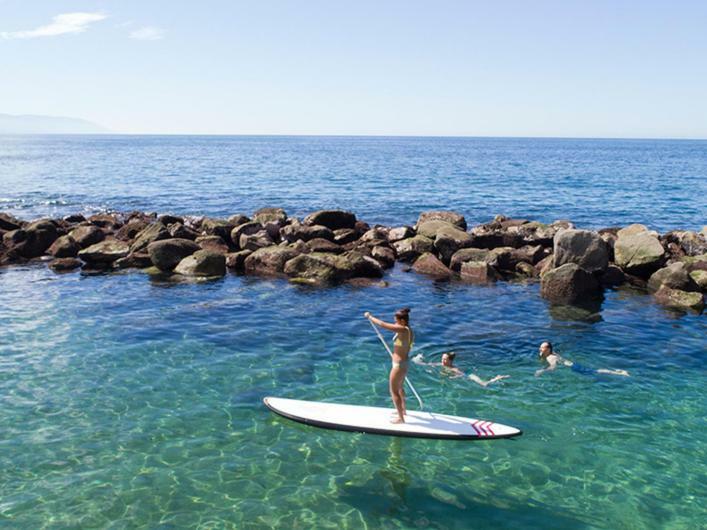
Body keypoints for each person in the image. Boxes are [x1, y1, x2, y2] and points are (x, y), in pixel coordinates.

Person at [364, 308, 414, 424]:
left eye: (396, 320)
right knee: (400, 388)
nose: (394, 322)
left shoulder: (402, 329)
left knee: (393, 391)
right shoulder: (409, 330)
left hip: (399, 365)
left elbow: (383, 324)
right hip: (403, 363)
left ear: (402, 321)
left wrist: (370, 316)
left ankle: (401, 419)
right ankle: (403, 411)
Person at [413, 352, 510, 387]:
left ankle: (497, 378)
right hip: (466, 374)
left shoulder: (454, 369)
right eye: (442, 358)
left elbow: (462, 375)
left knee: (484, 384)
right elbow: (428, 364)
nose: (442, 361)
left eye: (445, 359)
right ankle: (497, 377)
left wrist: (454, 377)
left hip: (469, 375)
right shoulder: (441, 364)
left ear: (450, 361)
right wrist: (418, 359)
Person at [535, 341, 630, 377]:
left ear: (548, 349)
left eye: (542, 347)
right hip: (573, 365)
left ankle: (620, 373)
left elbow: (553, 367)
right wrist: (542, 354)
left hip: (574, 368)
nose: (540, 348)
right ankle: (617, 372)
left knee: (595, 371)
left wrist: (542, 371)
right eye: (540, 347)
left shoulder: (551, 357)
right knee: (593, 372)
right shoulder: (552, 353)